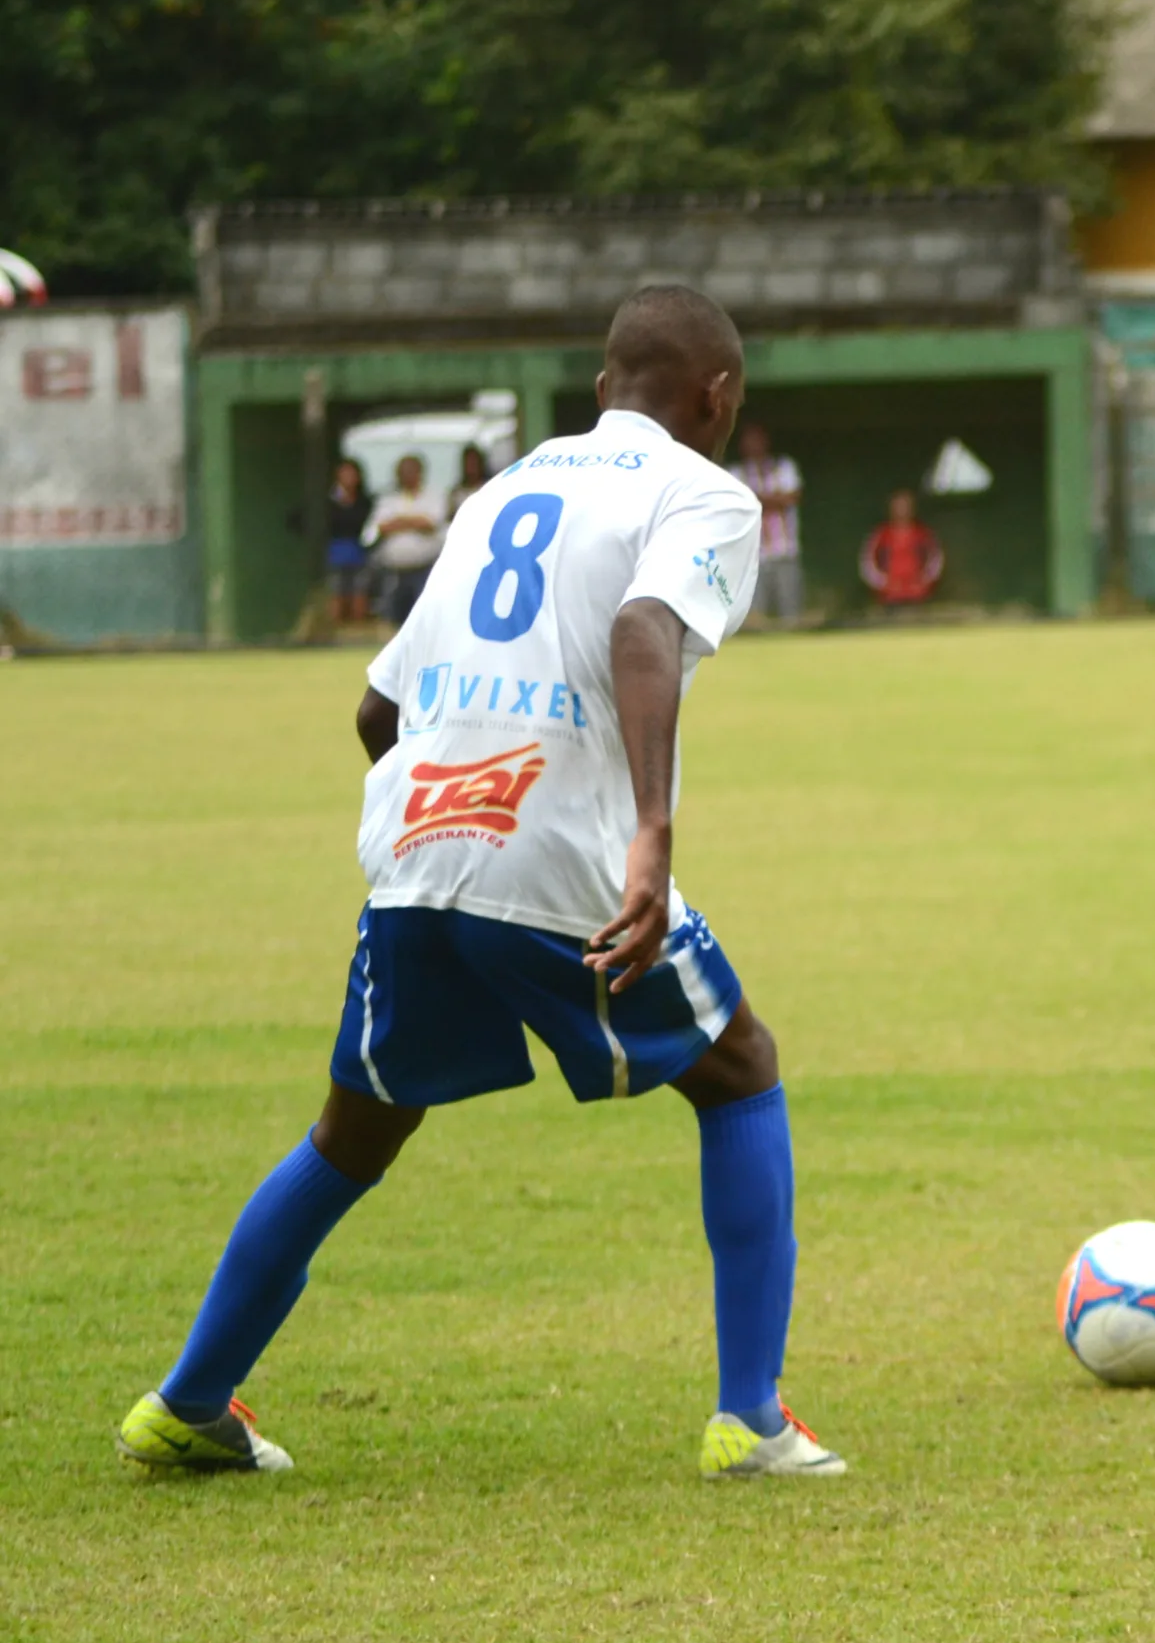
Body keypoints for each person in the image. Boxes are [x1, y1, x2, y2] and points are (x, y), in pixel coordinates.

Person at [116, 284, 844, 1481]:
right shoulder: (704, 492)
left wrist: (443, 846)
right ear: (718, 399)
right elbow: (646, 628)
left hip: (415, 848)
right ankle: (751, 1422)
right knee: (739, 1068)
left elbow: (375, 708)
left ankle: (187, 1402)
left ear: (604, 384)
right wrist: (648, 833)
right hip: (560, 854)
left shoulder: (495, 493)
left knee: (356, 1129)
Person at [729, 421, 804, 627]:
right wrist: (774, 498)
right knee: (754, 620)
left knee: (791, 617)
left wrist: (756, 499)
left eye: (758, 439)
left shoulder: (784, 467)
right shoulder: (735, 473)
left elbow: (792, 498)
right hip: (751, 557)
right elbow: (737, 505)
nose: (754, 445)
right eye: (749, 440)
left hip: (785, 552)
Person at [362, 453, 444, 627]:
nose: (407, 475)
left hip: (425, 569)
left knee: (425, 617)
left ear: (420, 472)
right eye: (403, 471)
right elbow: (380, 527)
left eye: (411, 471)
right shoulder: (387, 499)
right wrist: (413, 521)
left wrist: (399, 521)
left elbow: (430, 523)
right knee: (392, 617)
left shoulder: (433, 496)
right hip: (394, 571)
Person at [861, 489, 943, 606]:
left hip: (918, 595)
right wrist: (884, 584)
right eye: (898, 506)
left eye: (906, 505)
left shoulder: (924, 533)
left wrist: (922, 582)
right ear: (891, 508)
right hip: (889, 596)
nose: (902, 510)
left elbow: (935, 561)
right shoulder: (880, 534)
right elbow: (868, 563)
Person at [324, 459, 373, 626]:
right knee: (337, 592)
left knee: (359, 591)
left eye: (352, 474)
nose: (349, 477)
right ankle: (336, 629)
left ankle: (357, 629)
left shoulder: (365, 501)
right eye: (344, 473)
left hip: (359, 552)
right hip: (336, 552)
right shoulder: (328, 501)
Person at [448, 443, 493, 523]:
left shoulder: (490, 489)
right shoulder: (456, 493)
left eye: (474, 463)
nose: (471, 466)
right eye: (468, 463)